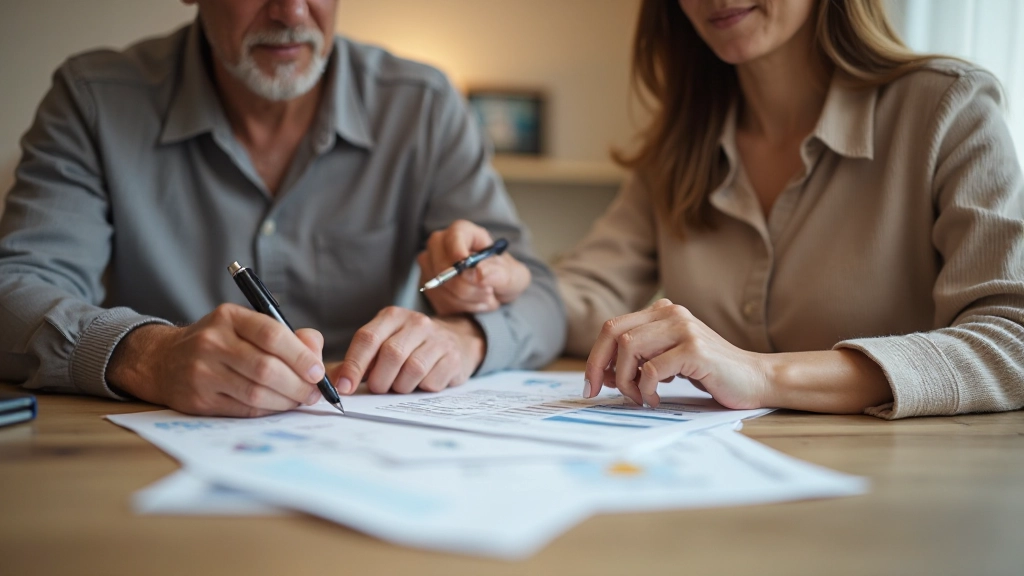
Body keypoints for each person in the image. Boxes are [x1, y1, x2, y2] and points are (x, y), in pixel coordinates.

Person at [418, 0, 1024, 419]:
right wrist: (516, 281)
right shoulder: (677, 146)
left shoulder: (950, 109)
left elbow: (1010, 342)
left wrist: (760, 374)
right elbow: (591, 297)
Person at [0, 0, 565, 417]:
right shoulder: (94, 98)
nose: (293, 11)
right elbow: (14, 289)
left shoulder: (422, 105)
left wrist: (465, 336)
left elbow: (540, 296)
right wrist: (150, 356)